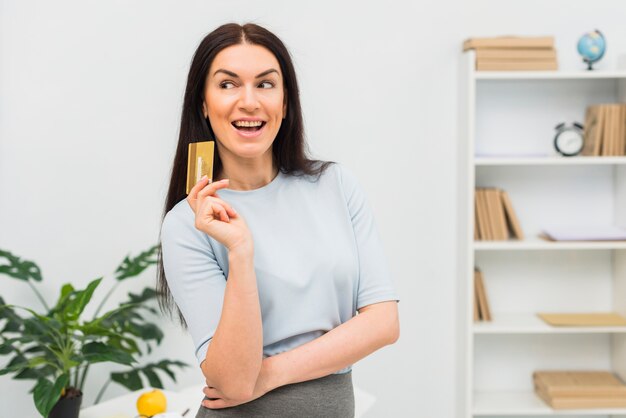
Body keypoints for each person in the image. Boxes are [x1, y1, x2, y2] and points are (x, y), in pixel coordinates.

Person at [157, 22, 400, 418]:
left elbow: (383, 322)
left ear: (285, 102)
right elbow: (234, 382)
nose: (249, 102)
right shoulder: (189, 224)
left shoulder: (335, 185)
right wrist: (240, 250)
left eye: (266, 84)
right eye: (228, 84)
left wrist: (268, 375)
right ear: (203, 103)